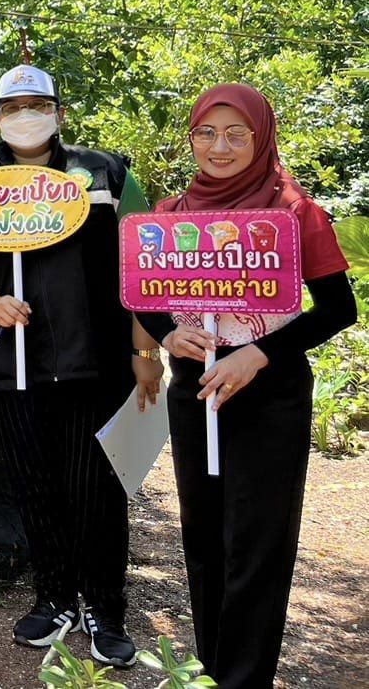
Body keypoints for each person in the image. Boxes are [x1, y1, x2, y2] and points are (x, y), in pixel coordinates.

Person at [134, 85, 356, 689]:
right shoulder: (171, 215)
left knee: (257, 544)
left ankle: (243, 680)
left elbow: (339, 308)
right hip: (196, 388)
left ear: (262, 138)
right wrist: (168, 333)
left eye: (237, 134)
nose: (220, 147)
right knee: (204, 538)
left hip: (269, 391)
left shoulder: (293, 212)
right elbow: (140, 293)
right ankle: (211, 671)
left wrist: (257, 354)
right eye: (206, 133)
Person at [0, 64, 153, 668]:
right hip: (16, 362)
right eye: (13, 106)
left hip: (97, 359)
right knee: (35, 484)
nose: (25, 115)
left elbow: (148, 259)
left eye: (37, 103)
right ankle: (53, 597)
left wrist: (145, 350)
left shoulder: (107, 173)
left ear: (58, 111)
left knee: (98, 489)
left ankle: (105, 609)